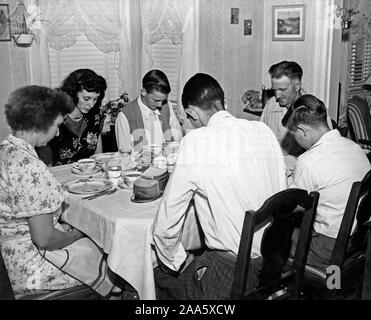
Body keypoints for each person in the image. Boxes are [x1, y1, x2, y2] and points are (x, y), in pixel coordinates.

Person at [152, 73, 287, 299]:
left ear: (192, 112)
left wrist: (176, 262)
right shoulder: (263, 131)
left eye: (189, 119)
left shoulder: (196, 142)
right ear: (223, 103)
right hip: (274, 259)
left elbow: (165, 225)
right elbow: (281, 196)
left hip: (231, 273)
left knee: (152, 276)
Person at [0, 86, 113, 298]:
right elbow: (45, 239)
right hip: (31, 268)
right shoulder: (29, 166)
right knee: (115, 263)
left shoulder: (6, 149)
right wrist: (75, 234)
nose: (58, 132)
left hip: (10, 259)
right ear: (41, 123)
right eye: (57, 125)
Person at [285, 94, 371, 271]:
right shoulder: (355, 147)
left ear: (303, 130)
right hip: (359, 239)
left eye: (294, 136)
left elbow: (293, 208)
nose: (295, 141)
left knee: (270, 238)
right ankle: (335, 286)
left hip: (330, 248)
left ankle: (290, 289)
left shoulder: (309, 161)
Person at [40, 69, 107, 166]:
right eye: (86, 99)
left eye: (95, 99)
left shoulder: (95, 116)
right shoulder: (55, 119)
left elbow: (99, 158)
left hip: (89, 177)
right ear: (73, 94)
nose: (91, 104)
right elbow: (46, 166)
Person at [114, 69, 183, 153]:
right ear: (144, 92)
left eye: (163, 100)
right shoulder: (125, 116)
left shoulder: (166, 106)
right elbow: (125, 154)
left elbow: (178, 138)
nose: (160, 105)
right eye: (156, 100)